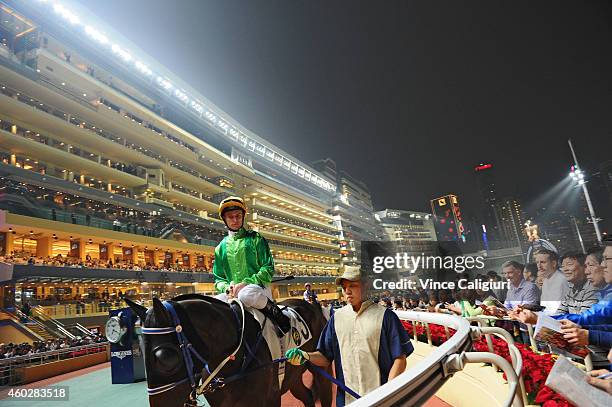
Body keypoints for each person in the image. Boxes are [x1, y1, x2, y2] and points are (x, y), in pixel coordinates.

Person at [284, 266, 413, 406]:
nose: (347, 291)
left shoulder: (387, 317)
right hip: (346, 402)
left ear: (366, 286)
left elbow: (400, 359)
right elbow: (325, 357)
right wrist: (305, 355)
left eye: (353, 285)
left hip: (380, 400)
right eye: (344, 287)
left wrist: (388, 393)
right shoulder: (336, 318)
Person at [212, 196, 290, 334]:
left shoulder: (256, 238)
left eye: (238, 216)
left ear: (243, 217)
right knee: (214, 302)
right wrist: (227, 288)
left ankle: (276, 313)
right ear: (224, 219)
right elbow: (219, 278)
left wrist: (246, 283)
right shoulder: (220, 248)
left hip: (257, 289)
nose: (235, 220)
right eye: (231, 217)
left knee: (245, 294)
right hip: (233, 293)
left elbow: (268, 268)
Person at [535, 249, 570, 315]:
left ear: (553, 263)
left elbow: (557, 312)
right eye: (537, 262)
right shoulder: (546, 280)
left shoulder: (561, 280)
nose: (539, 266)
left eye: (543, 262)